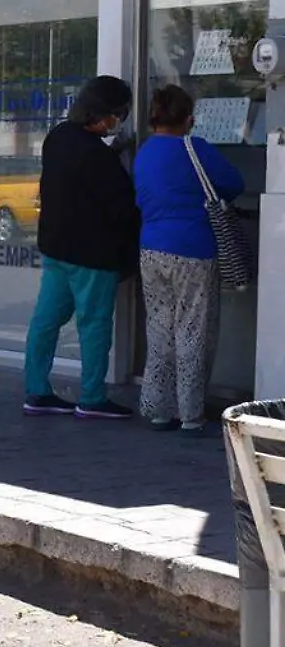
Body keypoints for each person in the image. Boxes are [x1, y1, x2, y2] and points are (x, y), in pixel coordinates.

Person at [23, 75, 141, 420]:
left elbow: (74, 175)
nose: (119, 122)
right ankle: (91, 397)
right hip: (92, 255)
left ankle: (36, 390)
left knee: (46, 320)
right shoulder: (98, 158)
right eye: (119, 115)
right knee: (94, 325)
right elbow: (121, 208)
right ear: (105, 114)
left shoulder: (58, 138)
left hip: (56, 248)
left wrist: (113, 152)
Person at [134, 85, 243, 436]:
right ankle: (190, 413)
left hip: (151, 248)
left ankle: (157, 409)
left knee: (160, 327)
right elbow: (233, 183)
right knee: (193, 331)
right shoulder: (194, 148)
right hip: (194, 250)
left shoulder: (145, 153)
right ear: (189, 119)